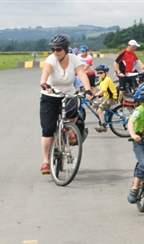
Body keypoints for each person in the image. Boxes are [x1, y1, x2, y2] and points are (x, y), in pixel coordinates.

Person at [39, 34, 93, 175]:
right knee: (48, 130)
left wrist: (87, 90)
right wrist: (44, 83)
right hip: (50, 96)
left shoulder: (74, 59)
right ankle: (45, 161)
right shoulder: (51, 59)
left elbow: (81, 74)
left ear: (65, 49)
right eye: (53, 49)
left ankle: (68, 130)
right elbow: (46, 72)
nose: (55, 52)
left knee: (73, 114)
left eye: (58, 49)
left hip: (68, 95)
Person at [93, 64, 118, 133]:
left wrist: (95, 95)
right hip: (106, 97)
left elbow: (102, 91)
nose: (99, 74)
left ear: (106, 73)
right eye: (98, 73)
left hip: (111, 98)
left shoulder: (107, 80)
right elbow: (99, 89)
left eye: (101, 73)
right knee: (94, 105)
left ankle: (103, 126)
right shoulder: (102, 80)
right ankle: (104, 116)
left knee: (99, 111)